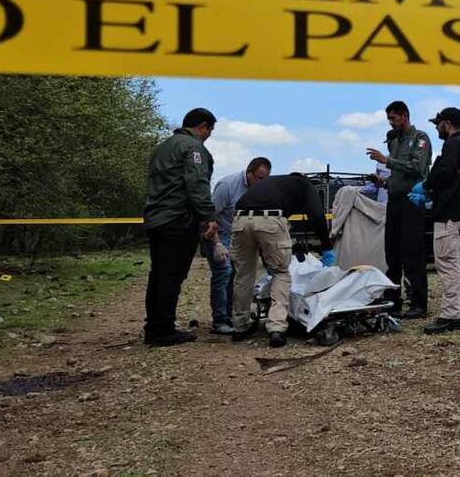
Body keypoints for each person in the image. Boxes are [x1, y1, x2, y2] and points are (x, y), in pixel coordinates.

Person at [142, 108, 218, 347]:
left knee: (158, 274)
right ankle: (163, 330)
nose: (208, 136)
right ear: (203, 127)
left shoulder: (162, 147)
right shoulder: (193, 148)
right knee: (171, 276)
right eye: (209, 131)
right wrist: (208, 216)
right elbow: (197, 184)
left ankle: (154, 326)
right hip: (178, 220)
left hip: (156, 218)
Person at [230, 173, 331, 348]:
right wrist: (327, 246)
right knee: (281, 273)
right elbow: (316, 215)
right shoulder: (305, 185)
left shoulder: (274, 183)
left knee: (244, 274)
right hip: (270, 219)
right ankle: (276, 327)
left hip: (240, 219)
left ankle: (240, 325)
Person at [365, 101, 432, 319]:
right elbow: (397, 176)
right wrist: (383, 182)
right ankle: (393, 299)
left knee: (412, 253)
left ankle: (419, 302)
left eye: (394, 118)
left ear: (404, 116)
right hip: (394, 201)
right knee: (391, 253)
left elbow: (418, 168)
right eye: (389, 119)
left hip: (412, 202)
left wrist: (387, 161)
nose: (391, 123)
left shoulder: (420, 139)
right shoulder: (394, 141)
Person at [419, 107, 460, 335]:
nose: (436, 127)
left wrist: (426, 186)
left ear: (448, 123)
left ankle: (451, 315)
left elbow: (444, 172)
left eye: (438, 123)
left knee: (446, 264)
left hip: (450, 215)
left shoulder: (453, 144)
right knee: (456, 264)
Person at [200, 157, 272, 335]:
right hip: (218, 232)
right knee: (223, 272)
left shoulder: (261, 190)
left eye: (266, 179)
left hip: (239, 236)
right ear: (249, 172)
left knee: (238, 275)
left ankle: (233, 315)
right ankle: (219, 321)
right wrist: (216, 244)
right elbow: (208, 216)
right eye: (259, 178)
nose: (262, 183)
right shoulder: (227, 186)